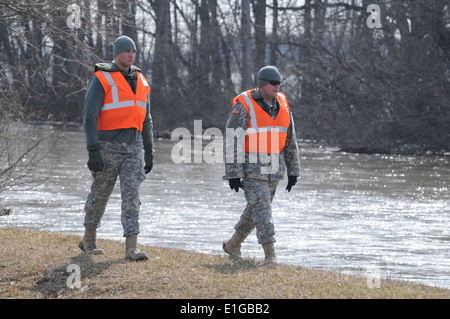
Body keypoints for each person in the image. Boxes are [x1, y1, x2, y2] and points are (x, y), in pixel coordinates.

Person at [80, 35, 154, 261]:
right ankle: (89, 240)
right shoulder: (101, 78)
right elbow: (90, 117)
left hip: (134, 149)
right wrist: (93, 150)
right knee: (100, 195)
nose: (131, 54)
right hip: (106, 148)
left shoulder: (141, 79)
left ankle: (131, 248)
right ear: (117, 53)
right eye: (127, 51)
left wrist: (149, 151)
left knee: (132, 197)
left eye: (134, 51)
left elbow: (146, 119)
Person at [223, 65, 300, 266]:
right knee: (263, 210)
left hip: (275, 169)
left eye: (279, 83)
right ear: (262, 84)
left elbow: (290, 140)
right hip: (252, 169)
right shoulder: (244, 104)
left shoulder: (282, 104)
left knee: (255, 209)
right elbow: (233, 140)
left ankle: (233, 244)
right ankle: (270, 255)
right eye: (273, 83)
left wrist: (293, 170)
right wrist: (233, 173)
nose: (277, 87)